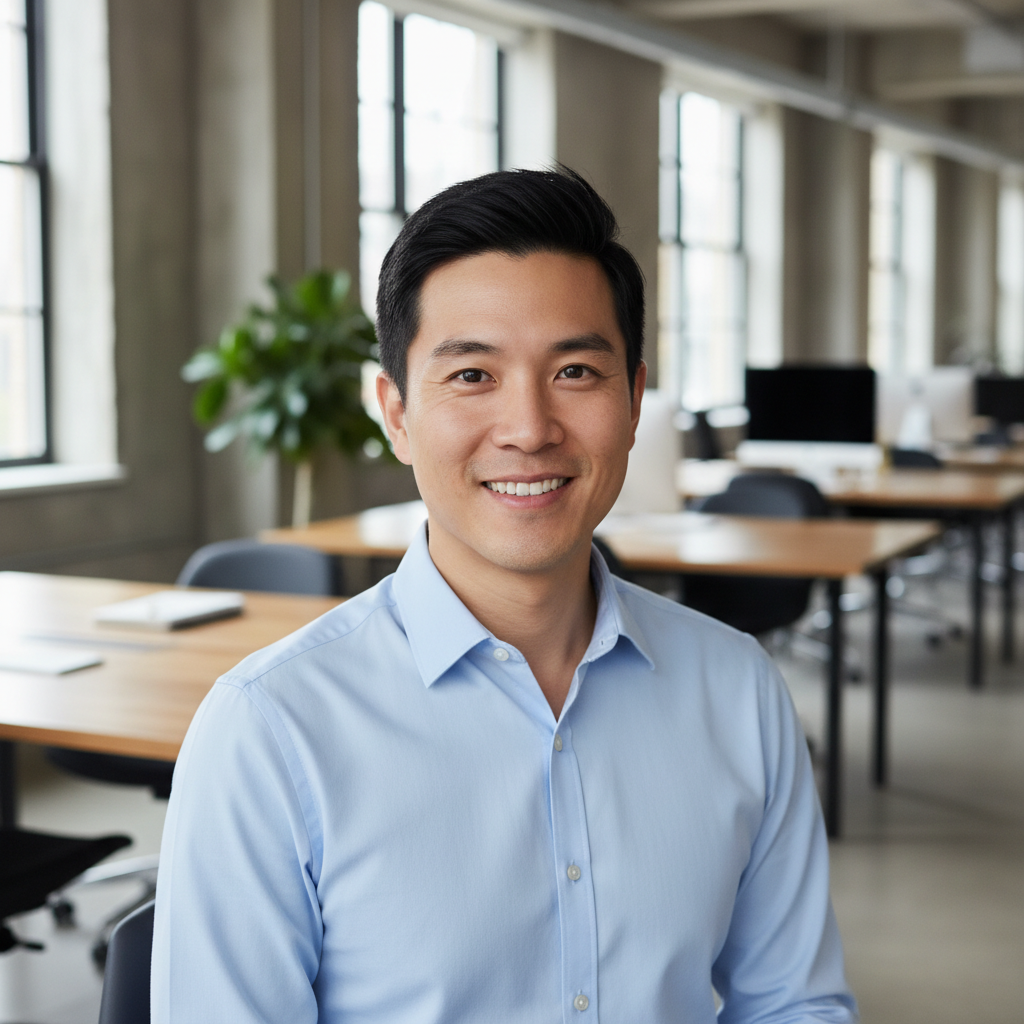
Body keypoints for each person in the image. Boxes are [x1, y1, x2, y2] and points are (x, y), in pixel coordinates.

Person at [152, 168, 857, 1023]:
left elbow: (794, 1005)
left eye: (575, 371)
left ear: (634, 403)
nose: (528, 428)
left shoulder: (738, 689)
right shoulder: (269, 730)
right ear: (397, 413)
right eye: (473, 376)